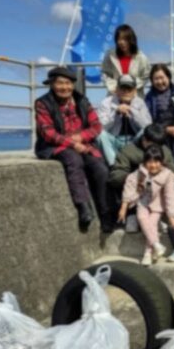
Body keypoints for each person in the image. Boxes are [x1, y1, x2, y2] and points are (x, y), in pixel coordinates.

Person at [34, 66, 112, 234]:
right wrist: (72, 143)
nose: (65, 87)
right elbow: (47, 133)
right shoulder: (42, 103)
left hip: (82, 144)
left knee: (100, 169)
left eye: (68, 83)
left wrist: (81, 137)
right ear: (52, 84)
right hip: (55, 146)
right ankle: (83, 207)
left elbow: (96, 126)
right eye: (60, 83)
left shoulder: (82, 101)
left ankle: (105, 214)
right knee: (73, 161)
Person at [119, 146, 174, 266]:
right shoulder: (139, 173)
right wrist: (123, 207)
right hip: (142, 202)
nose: (153, 165)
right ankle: (157, 245)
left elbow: (170, 196)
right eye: (150, 162)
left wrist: (171, 216)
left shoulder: (167, 175)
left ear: (161, 162)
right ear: (145, 162)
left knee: (151, 223)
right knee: (141, 218)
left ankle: (147, 253)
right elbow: (129, 187)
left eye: (156, 161)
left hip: (157, 205)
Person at [109, 123, 174, 193]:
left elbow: (173, 168)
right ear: (144, 140)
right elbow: (116, 176)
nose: (155, 148)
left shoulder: (164, 151)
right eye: (152, 145)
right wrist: (135, 176)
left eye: (158, 146)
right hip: (136, 190)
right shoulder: (128, 151)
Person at [96, 74, 152, 166]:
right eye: (123, 88)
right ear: (117, 89)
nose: (126, 91)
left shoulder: (140, 102)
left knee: (146, 132)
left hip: (134, 141)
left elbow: (148, 126)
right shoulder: (106, 102)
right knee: (100, 135)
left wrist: (132, 111)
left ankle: (143, 161)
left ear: (135, 91)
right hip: (114, 140)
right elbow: (100, 126)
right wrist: (115, 113)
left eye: (129, 89)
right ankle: (114, 165)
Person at [101, 24, 151, 95]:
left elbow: (146, 76)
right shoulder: (110, 55)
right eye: (119, 39)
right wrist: (114, 87)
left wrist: (131, 85)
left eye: (125, 39)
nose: (121, 42)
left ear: (131, 40)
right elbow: (104, 74)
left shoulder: (141, 57)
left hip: (135, 95)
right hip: (115, 95)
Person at [144, 63, 174, 129]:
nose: (160, 82)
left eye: (162, 78)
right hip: (158, 130)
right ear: (152, 81)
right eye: (156, 79)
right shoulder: (149, 97)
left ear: (168, 77)